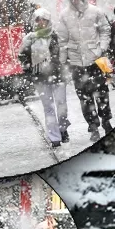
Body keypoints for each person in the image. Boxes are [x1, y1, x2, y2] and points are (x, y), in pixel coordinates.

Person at [56, 0, 113, 140]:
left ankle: (106, 121)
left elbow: (105, 30)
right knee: (84, 97)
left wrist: (101, 48)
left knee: (102, 93)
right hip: (76, 62)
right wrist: (63, 61)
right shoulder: (64, 16)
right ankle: (93, 126)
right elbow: (62, 39)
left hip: (96, 60)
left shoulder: (95, 12)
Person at [19, 8, 72, 147]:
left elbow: (65, 53)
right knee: (48, 108)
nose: (41, 22)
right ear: (34, 22)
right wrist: (29, 70)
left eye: (44, 19)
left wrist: (66, 66)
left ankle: (62, 128)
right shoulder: (29, 38)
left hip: (58, 76)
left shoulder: (56, 35)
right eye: (38, 19)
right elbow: (23, 57)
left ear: (48, 21)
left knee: (62, 106)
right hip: (40, 78)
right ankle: (54, 138)